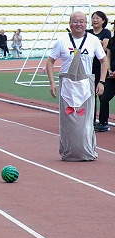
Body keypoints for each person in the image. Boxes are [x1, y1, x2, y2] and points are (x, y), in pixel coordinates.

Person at [47, 12, 109, 161]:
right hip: (67, 85)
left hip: (85, 85)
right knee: (68, 122)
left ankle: (86, 151)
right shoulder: (61, 41)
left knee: (86, 122)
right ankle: (67, 151)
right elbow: (50, 62)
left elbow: (104, 61)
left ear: (86, 24)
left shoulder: (93, 40)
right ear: (70, 24)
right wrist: (52, 82)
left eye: (82, 21)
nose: (78, 24)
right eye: (75, 21)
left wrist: (101, 81)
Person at [88, 11, 111, 132]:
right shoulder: (88, 33)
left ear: (103, 20)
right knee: (90, 95)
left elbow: (104, 47)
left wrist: (98, 46)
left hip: (101, 67)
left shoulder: (106, 32)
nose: (95, 20)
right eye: (93, 18)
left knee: (102, 95)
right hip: (89, 67)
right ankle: (91, 120)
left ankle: (103, 121)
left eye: (97, 18)